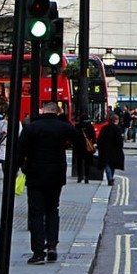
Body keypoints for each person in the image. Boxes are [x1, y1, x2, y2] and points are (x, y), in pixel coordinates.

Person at [16, 102, 83, 264]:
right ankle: (52, 246)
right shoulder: (62, 127)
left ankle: (38, 252)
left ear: (44, 110)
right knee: (53, 210)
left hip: (35, 174)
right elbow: (78, 140)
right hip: (56, 174)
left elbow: (20, 150)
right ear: (56, 112)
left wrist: (19, 168)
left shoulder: (32, 127)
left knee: (37, 213)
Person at [97, 114, 125, 186]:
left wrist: (100, 147)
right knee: (112, 165)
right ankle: (110, 178)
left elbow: (100, 139)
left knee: (107, 164)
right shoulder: (117, 129)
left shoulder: (104, 128)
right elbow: (120, 141)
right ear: (116, 120)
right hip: (114, 150)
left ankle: (110, 178)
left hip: (105, 149)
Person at [74, 116, 96, 183]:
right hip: (87, 147)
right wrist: (93, 143)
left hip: (79, 146)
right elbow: (93, 136)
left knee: (79, 163)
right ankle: (87, 177)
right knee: (87, 163)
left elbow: (74, 136)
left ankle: (80, 177)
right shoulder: (90, 126)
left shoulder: (77, 126)